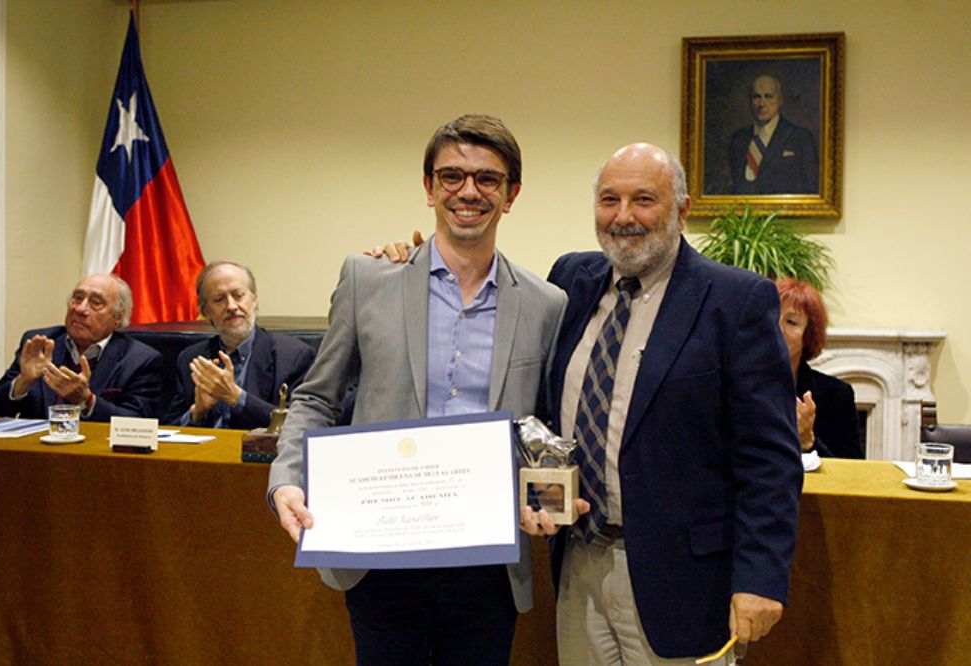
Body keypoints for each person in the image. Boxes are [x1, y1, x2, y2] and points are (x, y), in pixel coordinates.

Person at [374, 143, 804, 665]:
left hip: (682, 582)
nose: (624, 217)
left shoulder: (735, 300)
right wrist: (410, 263)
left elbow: (769, 459)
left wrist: (761, 578)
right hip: (578, 564)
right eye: (609, 200)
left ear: (682, 210)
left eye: (644, 199)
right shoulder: (571, 281)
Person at [268, 114, 567, 665]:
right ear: (429, 188)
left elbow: (547, 427)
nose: (468, 192)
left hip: (488, 562)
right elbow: (315, 397)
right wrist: (286, 481)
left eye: (487, 179)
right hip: (380, 553)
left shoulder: (547, 304)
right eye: (451, 176)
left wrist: (545, 502)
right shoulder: (367, 280)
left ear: (512, 194)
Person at [0, 274, 162, 421]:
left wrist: (87, 400)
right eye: (77, 298)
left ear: (117, 317)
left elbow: (140, 423)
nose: (81, 309)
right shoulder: (41, 345)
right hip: (36, 456)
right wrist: (23, 382)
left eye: (96, 303)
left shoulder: (140, 359)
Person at [163, 260, 316, 429]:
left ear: (254, 300)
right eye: (219, 299)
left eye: (238, 295)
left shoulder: (293, 356)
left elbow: (298, 424)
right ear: (206, 312)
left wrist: (236, 397)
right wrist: (197, 412)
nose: (231, 306)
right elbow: (167, 429)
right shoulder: (191, 359)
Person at [776, 277, 863, 459]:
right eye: (773, 317)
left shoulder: (837, 395)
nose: (778, 328)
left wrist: (808, 441)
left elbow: (852, 473)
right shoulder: (738, 383)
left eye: (791, 322)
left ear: (808, 336)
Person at [728, 74, 818, 195]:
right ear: (750, 101)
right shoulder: (739, 139)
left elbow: (810, 189)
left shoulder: (801, 138)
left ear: (780, 100)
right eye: (756, 97)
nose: (762, 104)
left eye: (768, 96)